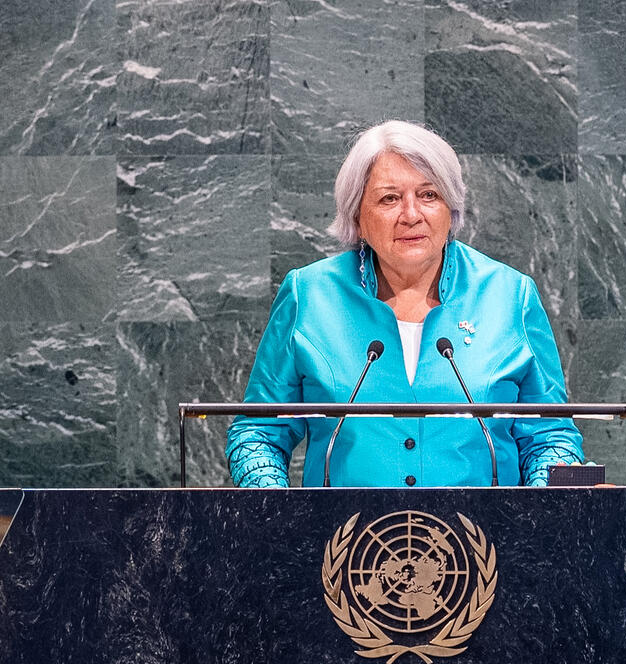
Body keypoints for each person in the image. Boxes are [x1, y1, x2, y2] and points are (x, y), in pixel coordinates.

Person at [226, 120, 583, 488]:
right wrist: (278, 517)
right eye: (389, 198)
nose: (411, 215)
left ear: (451, 209)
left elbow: (550, 438)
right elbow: (258, 432)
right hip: (341, 542)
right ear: (356, 217)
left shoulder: (510, 295)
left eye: (429, 195)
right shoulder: (310, 295)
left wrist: (543, 518)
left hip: (486, 543)